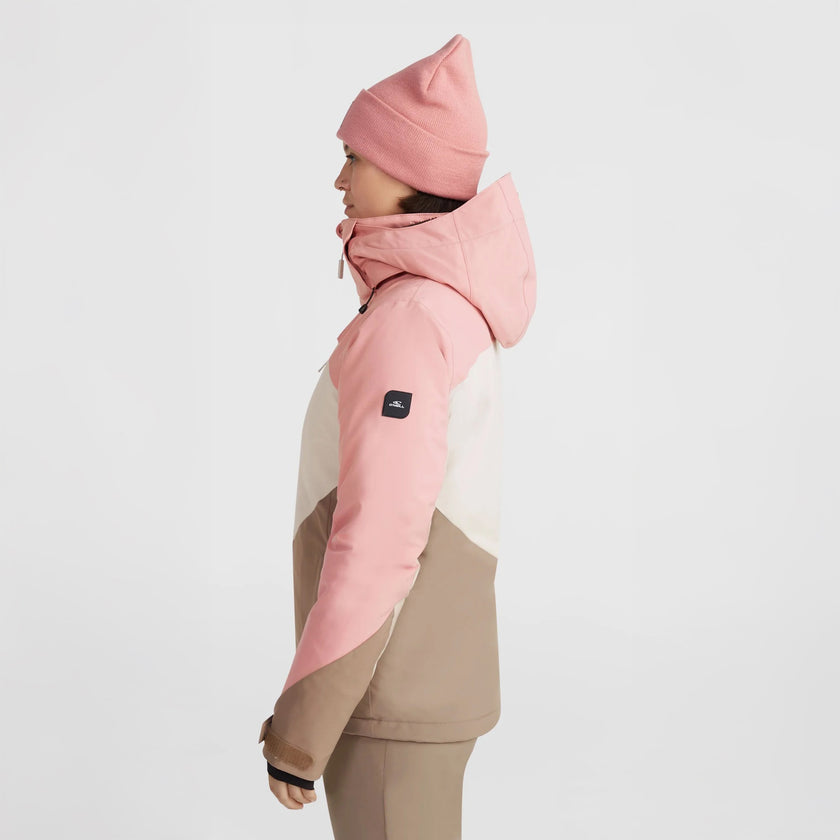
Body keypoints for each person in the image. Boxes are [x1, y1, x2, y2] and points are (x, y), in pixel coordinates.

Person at [258, 33, 537, 839]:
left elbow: (381, 533)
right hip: (415, 683)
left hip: (387, 695)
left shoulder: (411, 319)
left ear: (411, 171)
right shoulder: (441, 306)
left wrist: (304, 722)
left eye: (356, 157)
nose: (339, 179)